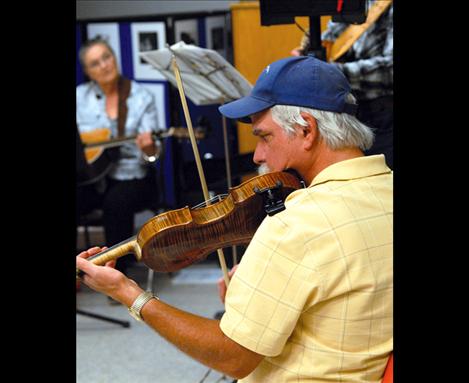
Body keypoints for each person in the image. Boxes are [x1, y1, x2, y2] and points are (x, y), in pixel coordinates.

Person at [76, 56, 393, 382]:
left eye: (264, 136)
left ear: (306, 130)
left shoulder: (295, 224)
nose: (257, 155)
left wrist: (130, 293)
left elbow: (234, 357)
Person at [76, 37, 161, 281]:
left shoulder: (141, 97)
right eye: (95, 63)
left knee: (116, 202)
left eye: (106, 57)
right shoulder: (79, 97)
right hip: (92, 177)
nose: (103, 65)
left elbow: (152, 157)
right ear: (87, 72)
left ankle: (115, 275)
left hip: (133, 175)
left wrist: (149, 149)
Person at [291, 0, 393, 169]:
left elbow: (390, 70)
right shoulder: (350, 4)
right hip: (347, 113)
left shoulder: (386, 7)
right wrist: (308, 54)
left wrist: (332, 72)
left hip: (383, 117)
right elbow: (331, 39)